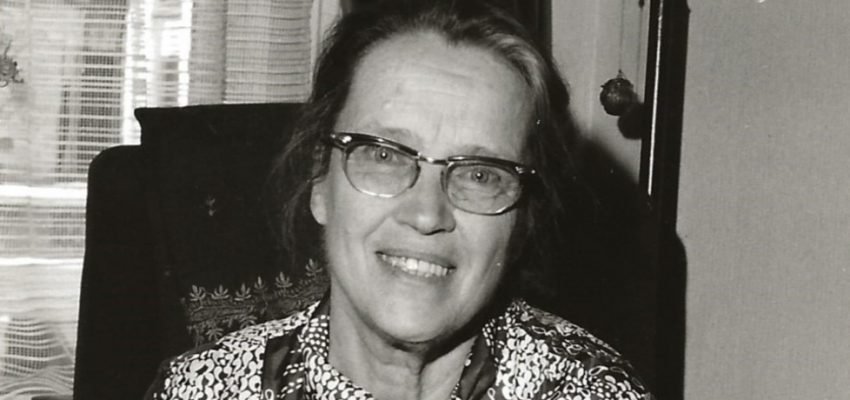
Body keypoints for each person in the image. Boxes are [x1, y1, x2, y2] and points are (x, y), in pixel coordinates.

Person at [146, 1, 651, 399]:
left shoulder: (593, 392)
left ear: (521, 221)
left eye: (479, 173)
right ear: (321, 182)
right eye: (385, 155)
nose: (427, 214)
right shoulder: (201, 390)